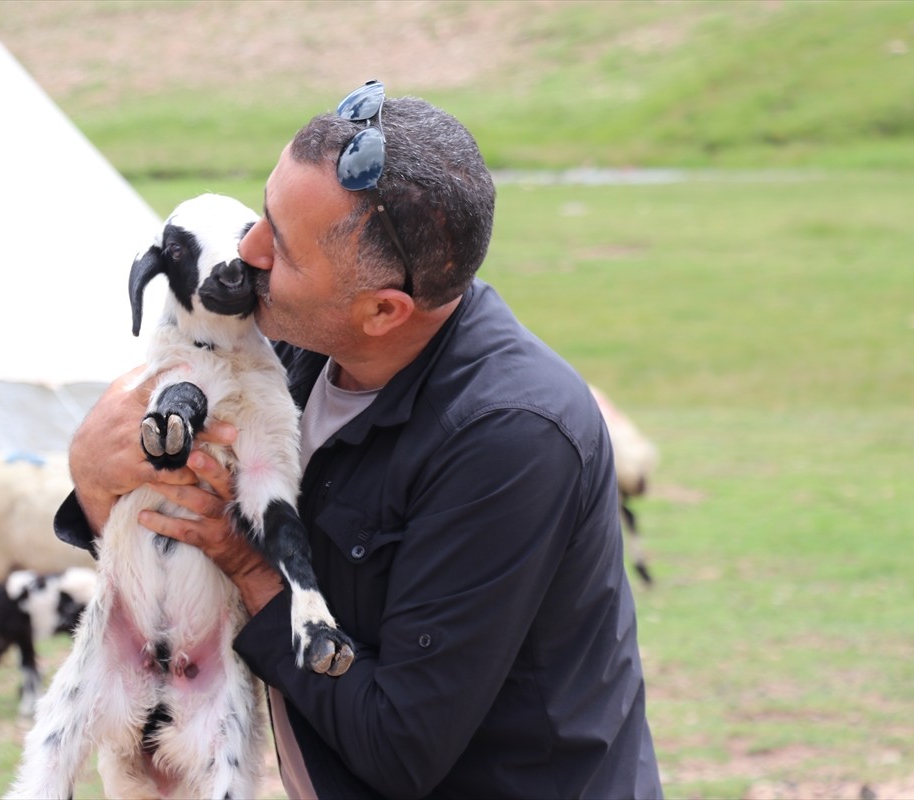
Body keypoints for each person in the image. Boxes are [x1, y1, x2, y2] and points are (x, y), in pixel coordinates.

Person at [55, 81, 663, 799]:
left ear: (383, 310)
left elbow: (398, 748)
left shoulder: (512, 439)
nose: (246, 253)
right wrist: (92, 477)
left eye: (280, 245)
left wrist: (251, 570)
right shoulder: (292, 348)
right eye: (263, 215)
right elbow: (163, 534)